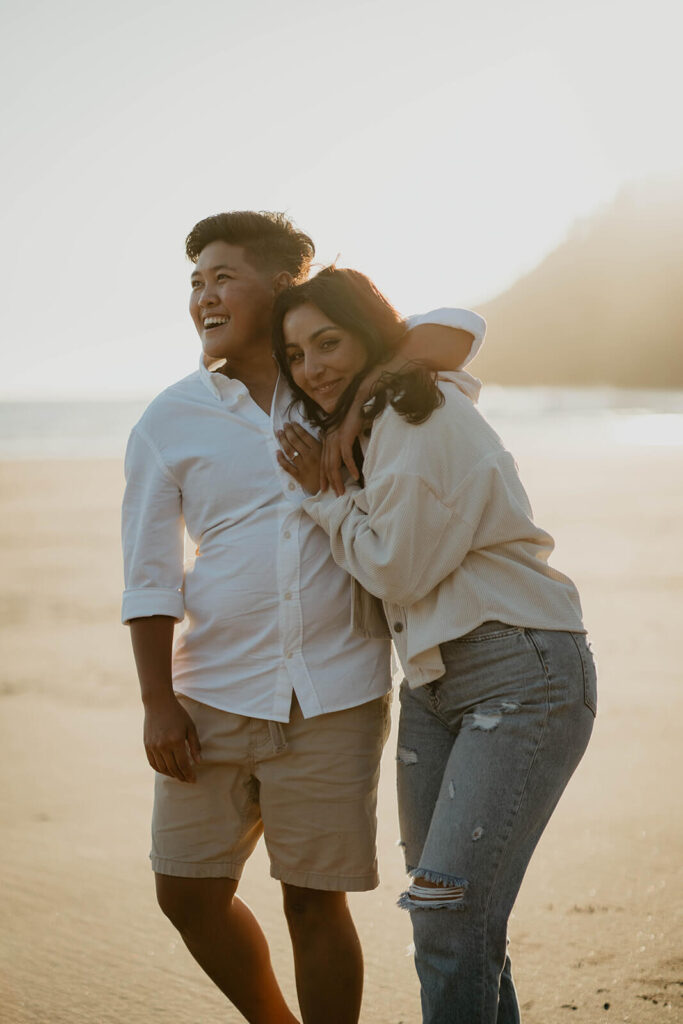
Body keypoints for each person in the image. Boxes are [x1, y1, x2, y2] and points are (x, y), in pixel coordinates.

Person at [121, 211, 487, 1024]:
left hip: (336, 690)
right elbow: (148, 573)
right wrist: (155, 701)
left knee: (314, 903)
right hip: (209, 687)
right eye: (195, 282)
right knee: (185, 890)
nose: (204, 296)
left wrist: (356, 406)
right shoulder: (169, 417)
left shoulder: (335, 377)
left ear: (282, 287)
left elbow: (458, 331)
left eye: (224, 277)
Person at [272, 266, 597, 1024]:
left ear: (371, 337)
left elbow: (398, 567)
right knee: (454, 912)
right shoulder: (374, 415)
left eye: (328, 342)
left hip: (518, 670)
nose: (311, 367)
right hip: (433, 682)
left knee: (447, 912)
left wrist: (323, 499)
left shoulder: (416, 409)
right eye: (294, 354)